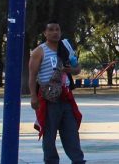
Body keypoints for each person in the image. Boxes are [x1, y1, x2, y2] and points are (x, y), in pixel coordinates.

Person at [28, 22, 85, 164]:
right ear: (45, 33)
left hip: (66, 98)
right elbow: (32, 75)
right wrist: (33, 97)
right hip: (48, 99)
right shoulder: (39, 51)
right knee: (49, 134)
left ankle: (78, 160)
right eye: (51, 30)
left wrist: (70, 70)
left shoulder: (66, 48)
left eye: (57, 29)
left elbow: (77, 68)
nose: (55, 32)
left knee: (71, 132)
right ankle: (51, 161)